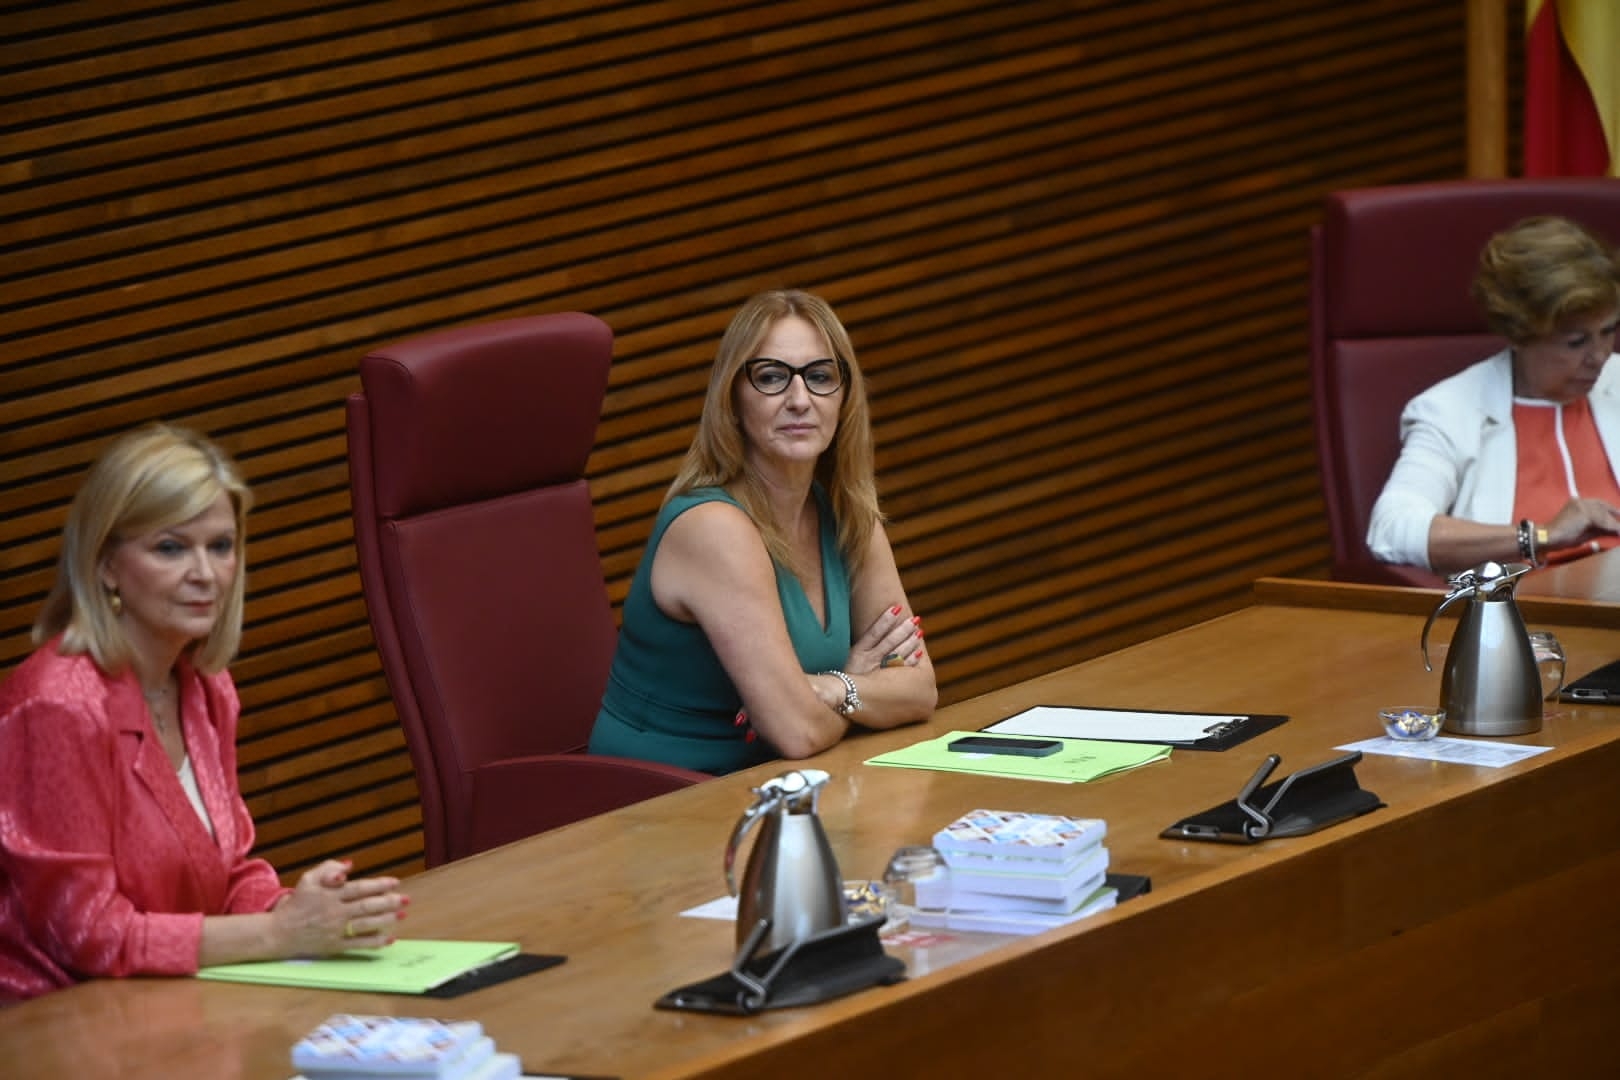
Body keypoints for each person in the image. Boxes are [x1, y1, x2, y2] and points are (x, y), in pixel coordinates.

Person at [0, 424, 407, 1003]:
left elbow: (225, 873)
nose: (205, 574)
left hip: (172, 1002)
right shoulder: (57, 705)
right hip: (61, 1017)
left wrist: (302, 910)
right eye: (171, 548)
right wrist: (277, 934)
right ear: (106, 564)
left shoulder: (205, 686)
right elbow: (86, 933)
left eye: (220, 546)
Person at [589, 289, 937, 774]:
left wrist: (831, 687)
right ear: (733, 399)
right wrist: (855, 685)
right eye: (771, 377)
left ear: (845, 397)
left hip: (777, 783)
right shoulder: (713, 528)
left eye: (820, 377)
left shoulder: (849, 517)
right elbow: (796, 730)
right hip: (660, 797)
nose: (800, 400)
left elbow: (920, 690)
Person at [1367, 215, 1620, 575]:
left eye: (1608, 331)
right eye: (1576, 342)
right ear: (1517, 335)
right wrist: (1540, 536)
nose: (1600, 356)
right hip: (1527, 605)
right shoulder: (1450, 410)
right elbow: (1392, 529)